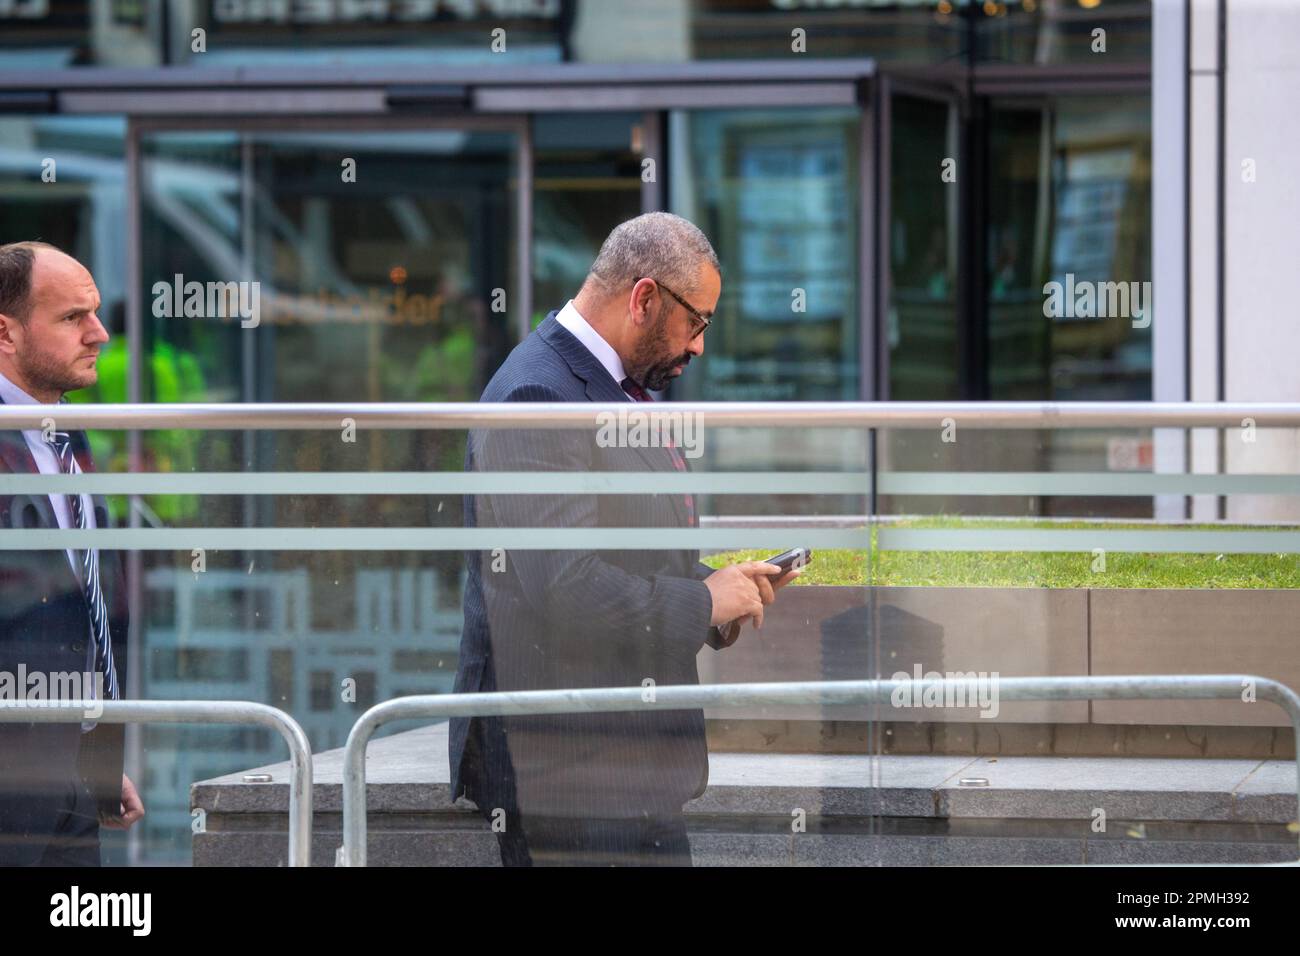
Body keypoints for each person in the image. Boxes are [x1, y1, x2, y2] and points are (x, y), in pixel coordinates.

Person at [451, 213, 797, 866]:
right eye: (697, 322)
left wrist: (718, 586)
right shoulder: (537, 395)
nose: (698, 348)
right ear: (643, 299)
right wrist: (702, 603)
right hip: (568, 772)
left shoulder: (608, 386)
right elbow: (565, 586)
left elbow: (622, 552)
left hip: (617, 766)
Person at [0, 241, 143, 866]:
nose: (100, 334)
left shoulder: (64, 429)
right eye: (72, 318)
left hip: (71, 784)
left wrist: (100, 758)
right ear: (5, 333)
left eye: (96, 313)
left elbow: (89, 607)